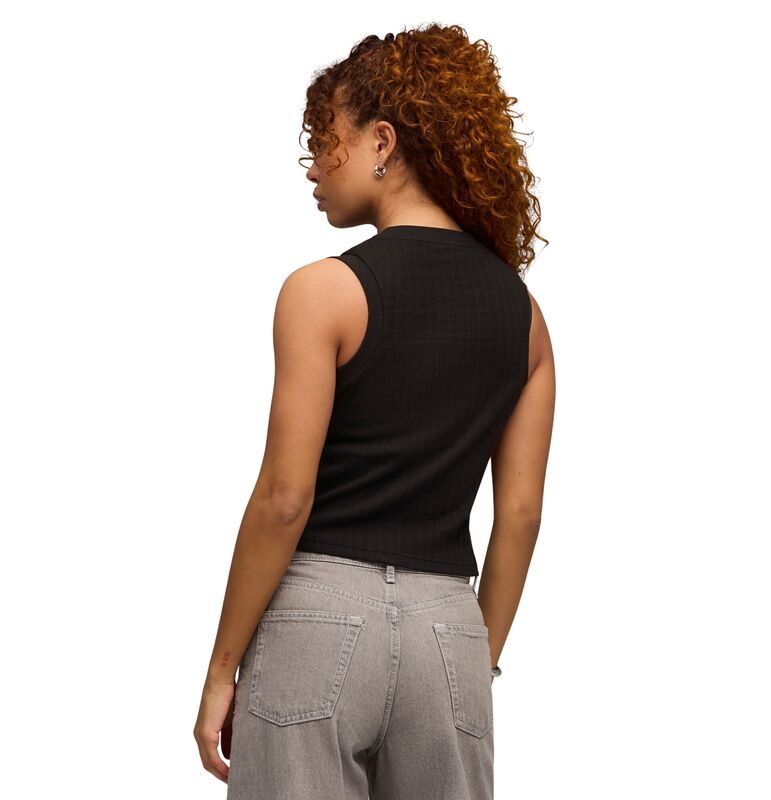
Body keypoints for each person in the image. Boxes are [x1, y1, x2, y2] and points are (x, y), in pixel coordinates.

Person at [194, 22, 555, 800]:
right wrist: (473, 657)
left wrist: (222, 670)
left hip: (316, 621)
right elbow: (521, 515)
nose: (312, 167)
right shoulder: (524, 317)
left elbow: (285, 499)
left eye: (326, 141)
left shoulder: (323, 292)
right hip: (449, 629)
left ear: (382, 142)